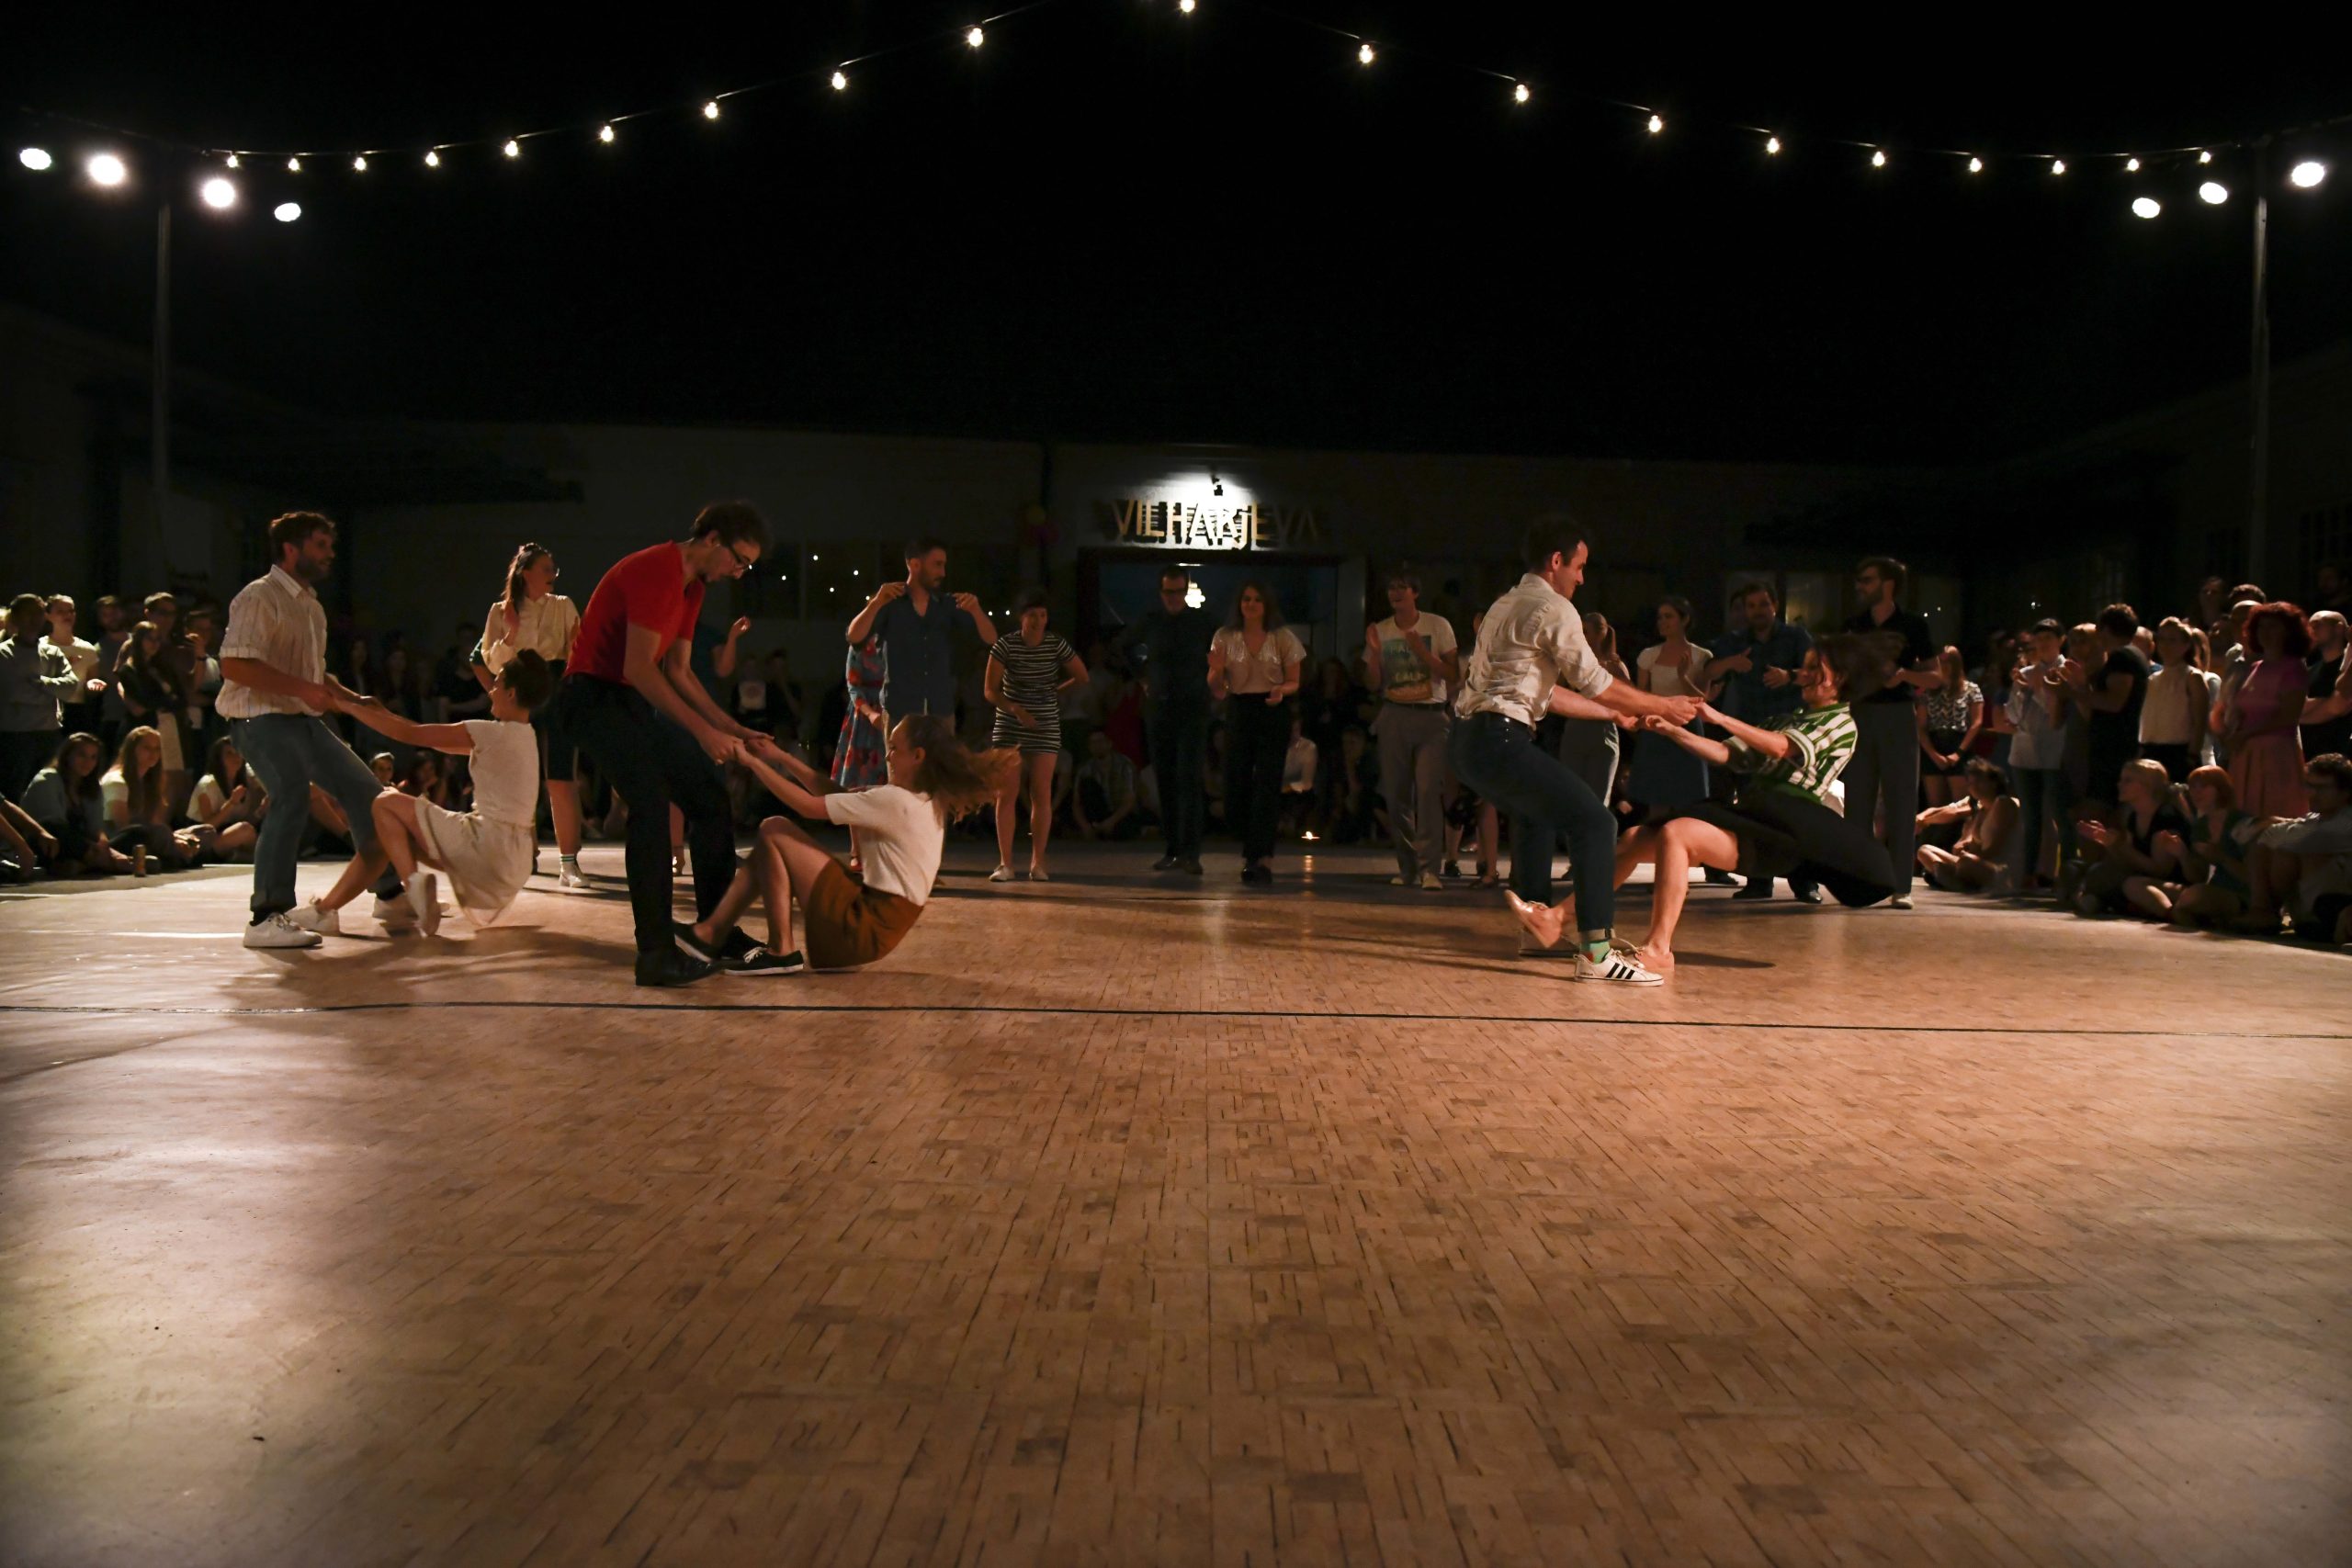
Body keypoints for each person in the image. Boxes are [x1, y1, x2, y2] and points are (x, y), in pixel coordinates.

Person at [1450, 515, 1704, 981]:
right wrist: (1663, 705)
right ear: (1556, 561)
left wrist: (1614, 715)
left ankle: (1538, 929)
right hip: (1500, 737)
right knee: (1597, 823)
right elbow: (1596, 681)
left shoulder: (1505, 604)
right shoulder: (1554, 607)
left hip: (1469, 741)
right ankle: (1596, 953)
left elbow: (1546, 695)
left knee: (1536, 815)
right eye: (1580, 566)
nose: (1582, 578)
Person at [548, 502, 770, 987]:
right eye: (739, 560)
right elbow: (639, 667)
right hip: (588, 697)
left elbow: (680, 672)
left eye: (747, 566)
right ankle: (655, 954)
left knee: (709, 798)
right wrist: (704, 732)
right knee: (650, 803)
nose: (739, 573)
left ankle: (715, 932)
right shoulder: (657, 569)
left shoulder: (693, 588)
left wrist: (732, 728)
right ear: (712, 539)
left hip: (628, 699)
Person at [1609, 634, 1900, 976]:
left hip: (1781, 832)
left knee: (1677, 833)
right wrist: (1672, 731)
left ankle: (1658, 949)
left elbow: (1781, 748)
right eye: (1804, 667)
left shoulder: (1841, 723)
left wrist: (1720, 718)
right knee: (1634, 840)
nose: (1803, 675)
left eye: (1814, 669)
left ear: (1840, 679)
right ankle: (1581, 923)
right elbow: (1724, 753)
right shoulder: (1788, 719)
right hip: (1756, 815)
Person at [678, 716, 1018, 973]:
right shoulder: (920, 799)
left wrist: (752, 763)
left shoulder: (896, 802)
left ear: (917, 756)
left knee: (774, 828)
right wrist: (780, 757)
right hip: (874, 929)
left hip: (864, 927)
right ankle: (711, 934)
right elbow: (834, 794)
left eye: (894, 748)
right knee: (768, 851)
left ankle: (777, 949)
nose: (887, 755)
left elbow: (807, 807)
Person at [216, 513, 413, 950]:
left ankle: (389, 894)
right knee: (290, 793)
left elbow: (312, 674)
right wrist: (305, 689)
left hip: (302, 720)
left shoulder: (310, 605)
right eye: (320, 545)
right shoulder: (259, 596)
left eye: (330, 545)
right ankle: (265, 917)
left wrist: (353, 698)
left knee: (370, 795)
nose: (330, 554)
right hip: (258, 719)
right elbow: (234, 665)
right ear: (291, 549)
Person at [294, 651, 556, 936]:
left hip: (488, 848)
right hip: (513, 863)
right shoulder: (525, 736)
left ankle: (414, 886)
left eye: (497, 684)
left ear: (511, 693)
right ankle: (325, 911)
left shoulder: (490, 734)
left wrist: (346, 707)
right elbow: (420, 734)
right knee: (388, 837)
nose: (491, 691)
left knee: (384, 801)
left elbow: (411, 735)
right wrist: (378, 710)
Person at [472, 542, 588, 888]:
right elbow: (490, 662)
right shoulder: (501, 610)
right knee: (522, 778)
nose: (553, 575)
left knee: (560, 777)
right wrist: (510, 632)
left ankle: (569, 864)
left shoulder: (563, 605)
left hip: (556, 690)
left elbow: (576, 649)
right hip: (520, 693)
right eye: (546, 569)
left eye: (554, 569)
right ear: (526, 574)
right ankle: (525, 855)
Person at [1704, 584, 1816, 901]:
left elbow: (1818, 674)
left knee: (1795, 810)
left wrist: (1789, 676)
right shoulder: (1736, 641)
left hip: (1789, 734)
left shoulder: (1796, 637)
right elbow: (1708, 669)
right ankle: (1758, 881)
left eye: (1762, 604)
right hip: (1751, 732)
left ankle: (1804, 882)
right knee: (1753, 808)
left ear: (1775, 605)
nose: (1757, 611)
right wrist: (1730, 664)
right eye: (1750, 605)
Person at [1840, 557, 1941, 907]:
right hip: (1860, 711)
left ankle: (1900, 886)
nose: (1860, 586)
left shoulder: (1913, 625)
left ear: (1888, 584)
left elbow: (1935, 676)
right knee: (1857, 800)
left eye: (1867, 580)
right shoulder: (1854, 625)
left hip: (1898, 713)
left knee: (1901, 799)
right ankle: (1857, 880)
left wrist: (1903, 675)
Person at [1363, 568, 1459, 889]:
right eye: (1392, 587)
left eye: (1402, 587)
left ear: (1415, 593)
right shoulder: (1381, 629)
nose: (1395, 593)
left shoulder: (1437, 625)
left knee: (1429, 792)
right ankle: (1408, 868)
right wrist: (1375, 655)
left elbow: (1453, 674)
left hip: (1431, 716)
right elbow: (1372, 683)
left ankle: (1430, 869)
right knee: (1396, 794)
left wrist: (1422, 653)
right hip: (1394, 713)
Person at [1117, 567, 1217, 874]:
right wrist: (1142, 676)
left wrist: (1214, 680)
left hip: (1193, 708)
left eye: (1178, 591)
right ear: (1161, 593)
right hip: (1160, 708)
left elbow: (1223, 650)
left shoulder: (1203, 622)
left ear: (1186, 591)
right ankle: (1173, 849)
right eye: (1168, 592)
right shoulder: (1151, 621)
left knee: (1189, 779)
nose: (1173, 597)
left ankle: (1191, 852)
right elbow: (1122, 646)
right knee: (1166, 780)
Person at [844, 536, 1000, 733]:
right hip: (900, 712)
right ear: (915, 565)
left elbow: (991, 639)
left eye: (944, 565)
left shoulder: (947, 605)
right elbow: (854, 637)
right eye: (937, 565)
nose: (942, 573)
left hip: (940, 711)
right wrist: (875, 603)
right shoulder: (891, 603)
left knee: (943, 755)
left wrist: (976, 611)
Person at [1209, 581, 1306, 886]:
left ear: (1267, 605)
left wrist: (1281, 691)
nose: (1250, 604)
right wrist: (1216, 670)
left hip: (1272, 708)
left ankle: (1260, 858)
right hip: (1240, 708)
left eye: (1257, 600)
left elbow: (1294, 680)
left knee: (1267, 784)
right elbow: (1218, 690)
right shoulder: (1225, 636)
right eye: (1246, 599)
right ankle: (1249, 844)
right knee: (1235, 782)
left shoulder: (1282, 636)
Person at [985, 588, 1086, 883]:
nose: (1038, 621)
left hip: (1044, 723)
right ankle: (1005, 863)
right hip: (1010, 723)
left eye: (1042, 615)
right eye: (1032, 615)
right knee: (1006, 793)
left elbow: (1082, 676)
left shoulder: (1055, 644)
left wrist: (1055, 692)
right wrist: (1015, 708)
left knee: (1041, 792)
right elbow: (990, 690)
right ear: (1021, 617)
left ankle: (1038, 862)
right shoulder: (1006, 645)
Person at [2236, 752, 2352, 943]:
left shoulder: (2346, 822)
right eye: (2309, 786)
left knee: (2286, 853)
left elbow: (2299, 840)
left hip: (2335, 906)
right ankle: (2263, 911)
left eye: (2322, 788)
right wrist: (2278, 825)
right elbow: (2251, 835)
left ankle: (2266, 911)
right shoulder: (2315, 818)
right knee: (2264, 849)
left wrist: (2274, 823)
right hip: (2313, 905)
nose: (2312, 794)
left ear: (2345, 792)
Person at [1624, 596, 1713, 818]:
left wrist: (1683, 676)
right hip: (1657, 728)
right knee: (1657, 799)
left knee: (1687, 800)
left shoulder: (1701, 656)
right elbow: (1641, 695)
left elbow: (1703, 699)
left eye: (1669, 616)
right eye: (1660, 617)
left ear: (1684, 620)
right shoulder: (1649, 655)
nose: (1662, 622)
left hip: (1687, 727)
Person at [2007, 619, 2076, 894]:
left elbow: (2056, 714)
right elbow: (2013, 716)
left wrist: (2036, 690)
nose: (2043, 644)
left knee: (2060, 814)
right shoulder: (2026, 672)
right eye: (2039, 639)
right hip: (2025, 752)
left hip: (2055, 751)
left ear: (2061, 640)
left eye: (2049, 638)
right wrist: (2021, 691)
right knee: (2031, 817)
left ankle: (2068, 875)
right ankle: (2028, 874)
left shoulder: (2068, 670)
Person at [2224, 603, 2312, 820]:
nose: (2266, 632)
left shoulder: (2293, 668)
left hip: (2275, 754)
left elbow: (2288, 716)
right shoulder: (2256, 667)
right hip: (2246, 752)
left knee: (2274, 816)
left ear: (2288, 631)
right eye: (2261, 627)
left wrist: (2246, 734)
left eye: (2273, 626)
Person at [2073, 759, 2190, 919]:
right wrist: (2109, 844)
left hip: (2166, 884)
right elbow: (2127, 863)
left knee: (2130, 884)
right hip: (2142, 878)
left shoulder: (2165, 818)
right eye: (2121, 780)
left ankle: (2168, 913)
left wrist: (2120, 846)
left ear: (2148, 786)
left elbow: (2160, 870)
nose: (2120, 784)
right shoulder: (2133, 816)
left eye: (2127, 780)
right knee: (2086, 869)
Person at [2061, 604, 2150, 815]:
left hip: (2113, 751)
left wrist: (2070, 692)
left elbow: (2114, 702)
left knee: (2099, 813)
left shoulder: (2122, 657)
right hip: (2115, 748)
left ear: (2106, 630)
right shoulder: (2134, 655)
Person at [2154, 765, 2260, 928]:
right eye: (2193, 788)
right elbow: (2198, 877)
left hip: (2244, 894)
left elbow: (2255, 877)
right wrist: (2183, 855)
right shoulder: (2201, 827)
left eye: (2203, 787)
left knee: (2192, 897)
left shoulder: (2241, 822)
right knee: (2137, 885)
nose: (2196, 792)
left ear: (2221, 789)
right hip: (2214, 889)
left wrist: (2222, 858)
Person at [1, 592, 80, 801]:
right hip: (16, 735)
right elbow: (14, 692)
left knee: (49, 792)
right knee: (15, 792)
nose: (35, 618)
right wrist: (50, 692)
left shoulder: (52, 653)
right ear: (15, 617)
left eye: (38, 612)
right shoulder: (4, 654)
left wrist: (41, 683)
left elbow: (71, 686)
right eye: (28, 613)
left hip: (49, 733)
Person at [19, 731, 132, 875]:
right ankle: (106, 864)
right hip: (48, 843)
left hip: (84, 846)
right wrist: (104, 854)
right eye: (82, 755)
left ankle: (85, 865)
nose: (88, 762)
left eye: (93, 757)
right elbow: (52, 828)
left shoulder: (91, 786)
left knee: (136, 832)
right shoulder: (48, 779)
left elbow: (95, 828)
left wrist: (105, 847)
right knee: (54, 827)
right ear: (67, 756)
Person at [831, 635, 889, 874]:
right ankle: (856, 849)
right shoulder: (858, 644)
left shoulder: (895, 638)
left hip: (892, 710)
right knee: (857, 783)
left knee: (888, 784)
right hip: (864, 717)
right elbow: (853, 686)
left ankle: (883, 849)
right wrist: (870, 713)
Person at [1915, 759, 2018, 893]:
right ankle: (1949, 878)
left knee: (1965, 863)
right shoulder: (1980, 810)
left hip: (2000, 868)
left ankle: (1946, 877)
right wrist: (1964, 851)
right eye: (1970, 783)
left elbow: (1997, 849)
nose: (1973, 787)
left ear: (1993, 783)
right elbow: (1975, 846)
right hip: (1976, 863)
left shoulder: (2003, 803)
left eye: (1979, 782)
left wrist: (1968, 858)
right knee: (1924, 850)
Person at [2138, 616, 2211, 784]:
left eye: (2172, 640)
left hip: (2179, 753)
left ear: (2185, 645)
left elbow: (2199, 721)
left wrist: (2192, 755)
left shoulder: (2192, 677)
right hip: (2151, 751)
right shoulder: (2152, 680)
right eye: (2162, 639)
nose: (2165, 645)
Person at [1916, 646, 1983, 809]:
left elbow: (1976, 723)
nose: (1944, 666)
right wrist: (1934, 755)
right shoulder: (1927, 692)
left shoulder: (1971, 689)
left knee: (1960, 805)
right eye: (1940, 662)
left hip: (1958, 744)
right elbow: (1920, 727)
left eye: (1948, 662)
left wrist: (1958, 753)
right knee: (1935, 806)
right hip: (1933, 746)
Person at [188, 734, 265, 861]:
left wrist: (261, 811)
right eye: (229, 753)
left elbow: (245, 820)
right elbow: (208, 826)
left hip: (230, 836)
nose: (235, 757)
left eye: (238, 752)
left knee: (248, 830)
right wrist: (231, 803)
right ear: (219, 759)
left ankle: (241, 856)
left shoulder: (245, 780)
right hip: (203, 839)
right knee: (244, 829)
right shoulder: (208, 784)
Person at [42, 593, 103, 738]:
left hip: (77, 711)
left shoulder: (87, 649)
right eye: (60, 611)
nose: (67, 615)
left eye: (71, 611)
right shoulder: (41, 647)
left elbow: (90, 683)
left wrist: (92, 686)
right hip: (47, 710)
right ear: (48, 615)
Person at [2300, 610, 2352, 765]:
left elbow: (2338, 707)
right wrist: (2328, 702)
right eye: (2309, 626)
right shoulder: (2309, 671)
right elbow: (2298, 706)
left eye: (2317, 624)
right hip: (2310, 756)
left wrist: (2297, 718)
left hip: (2340, 756)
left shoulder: (2348, 667)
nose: (2311, 630)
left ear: (2339, 628)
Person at [1072, 728, 1143, 840]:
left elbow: (1130, 800)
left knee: (1123, 830)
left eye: (1100, 741)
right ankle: (1095, 828)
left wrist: (1111, 822)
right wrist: (1084, 826)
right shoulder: (1085, 769)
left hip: (1120, 813)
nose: (1097, 746)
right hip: (1099, 812)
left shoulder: (1125, 765)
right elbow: (1076, 802)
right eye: (1093, 743)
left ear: (1109, 744)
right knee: (1088, 784)